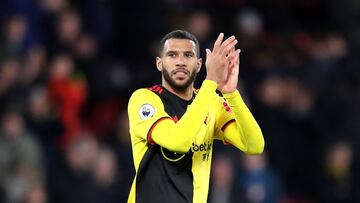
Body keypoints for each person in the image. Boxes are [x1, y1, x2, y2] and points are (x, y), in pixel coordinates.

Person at [127, 30, 264, 203]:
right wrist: (210, 82)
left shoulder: (211, 101)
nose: (180, 62)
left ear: (199, 64)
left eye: (188, 55)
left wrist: (231, 94)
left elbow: (254, 145)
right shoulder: (144, 99)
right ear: (159, 63)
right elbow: (177, 141)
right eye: (172, 55)